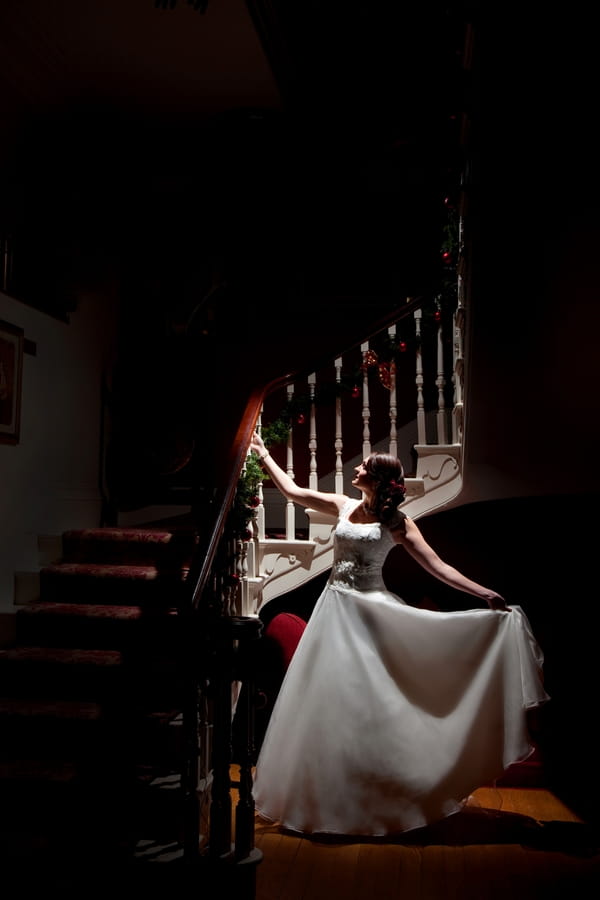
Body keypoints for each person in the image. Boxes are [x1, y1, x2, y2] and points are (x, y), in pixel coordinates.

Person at [248, 431, 549, 837]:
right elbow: (293, 491)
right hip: (334, 610)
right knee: (330, 707)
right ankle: (329, 799)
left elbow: (438, 567)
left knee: (376, 706)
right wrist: (264, 454)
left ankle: (387, 797)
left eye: (363, 467)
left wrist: (484, 593)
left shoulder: (397, 523)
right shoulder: (343, 505)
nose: (355, 469)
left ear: (377, 479)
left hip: (371, 613)